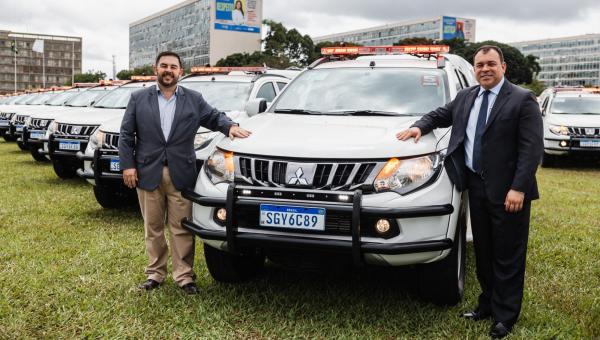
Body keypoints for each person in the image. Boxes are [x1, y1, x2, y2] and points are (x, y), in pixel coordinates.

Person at [397, 45, 543, 338]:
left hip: (508, 192)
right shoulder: (466, 97)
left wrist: (518, 188)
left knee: (508, 255)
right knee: (485, 251)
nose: (485, 69)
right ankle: (486, 305)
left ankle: (505, 316)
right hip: (475, 185)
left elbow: (531, 150)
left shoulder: (522, 99)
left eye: (491, 64)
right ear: (474, 69)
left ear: (503, 67)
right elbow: (441, 114)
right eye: (479, 65)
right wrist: (418, 127)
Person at [118, 51, 251, 295]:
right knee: (153, 227)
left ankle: (184, 276)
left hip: (181, 173)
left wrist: (230, 127)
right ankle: (155, 273)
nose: (168, 70)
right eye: (163, 66)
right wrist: (128, 165)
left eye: (173, 67)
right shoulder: (138, 98)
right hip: (147, 173)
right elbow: (126, 135)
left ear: (180, 71)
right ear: (155, 69)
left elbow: (213, 117)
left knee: (181, 227)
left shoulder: (193, 98)